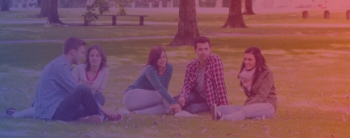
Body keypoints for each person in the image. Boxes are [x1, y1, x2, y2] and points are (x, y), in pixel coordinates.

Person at [7, 37, 120, 123]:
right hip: (55, 112)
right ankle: (100, 115)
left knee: (99, 97)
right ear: (72, 52)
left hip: (59, 105)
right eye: (81, 52)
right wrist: (104, 109)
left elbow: (74, 92)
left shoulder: (63, 64)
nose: (82, 56)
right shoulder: (60, 67)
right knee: (84, 89)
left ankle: (86, 117)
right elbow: (78, 90)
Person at [211, 46, 277, 121]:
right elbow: (249, 95)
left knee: (245, 111)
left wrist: (246, 106)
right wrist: (246, 81)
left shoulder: (267, 73)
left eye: (250, 59)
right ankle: (256, 117)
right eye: (245, 59)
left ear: (257, 60)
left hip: (267, 105)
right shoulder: (246, 73)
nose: (246, 62)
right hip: (252, 104)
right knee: (221, 108)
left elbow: (262, 95)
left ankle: (223, 118)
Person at [175, 36, 229, 114]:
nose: (203, 52)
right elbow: (187, 85)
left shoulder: (215, 61)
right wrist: (183, 96)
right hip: (196, 94)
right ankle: (178, 105)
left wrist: (225, 108)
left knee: (191, 109)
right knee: (177, 100)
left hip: (210, 98)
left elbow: (220, 85)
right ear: (195, 50)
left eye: (206, 49)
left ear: (210, 49)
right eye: (200, 49)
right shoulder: (191, 65)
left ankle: (182, 108)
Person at [123, 46, 182, 114]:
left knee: (165, 108)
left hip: (145, 100)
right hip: (131, 97)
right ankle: (179, 113)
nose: (163, 60)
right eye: (159, 58)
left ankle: (136, 113)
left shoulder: (169, 68)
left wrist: (171, 103)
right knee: (164, 96)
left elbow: (164, 89)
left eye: (164, 56)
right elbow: (159, 88)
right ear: (154, 59)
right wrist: (173, 103)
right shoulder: (150, 69)